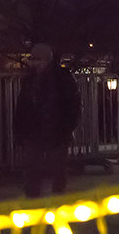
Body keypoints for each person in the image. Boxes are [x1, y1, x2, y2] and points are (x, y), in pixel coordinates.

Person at [13, 43, 81, 197]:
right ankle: (39, 200)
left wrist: (67, 126)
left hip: (54, 129)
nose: (35, 63)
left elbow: (72, 105)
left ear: (47, 60)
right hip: (39, 129)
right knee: (34, 169)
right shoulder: (34, 80)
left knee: (55, 169)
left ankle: (50, 200)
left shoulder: (59, 79)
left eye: (38, 60)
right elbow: (22, 107)